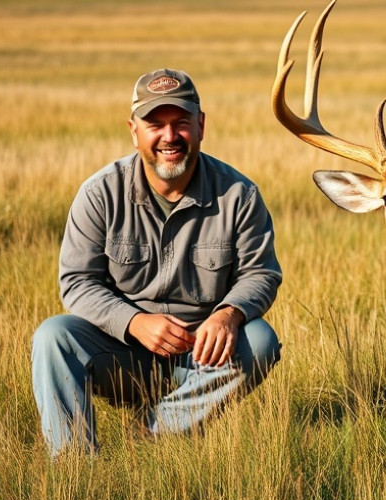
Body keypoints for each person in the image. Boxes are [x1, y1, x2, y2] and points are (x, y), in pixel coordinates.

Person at [31, 68, 282, 456]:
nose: (169, 136)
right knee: (53, 337)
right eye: (155, 124)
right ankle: (75, 466)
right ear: (134, 131)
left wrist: (228, 314)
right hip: (121, 351)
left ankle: (155, 433)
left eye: (181, 122)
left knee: (261, 340)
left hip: (202, 356)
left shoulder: (240, 194)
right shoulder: (100, 194)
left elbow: (261, 273)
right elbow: (77, 282)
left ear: (201, 125)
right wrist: (133, 322)